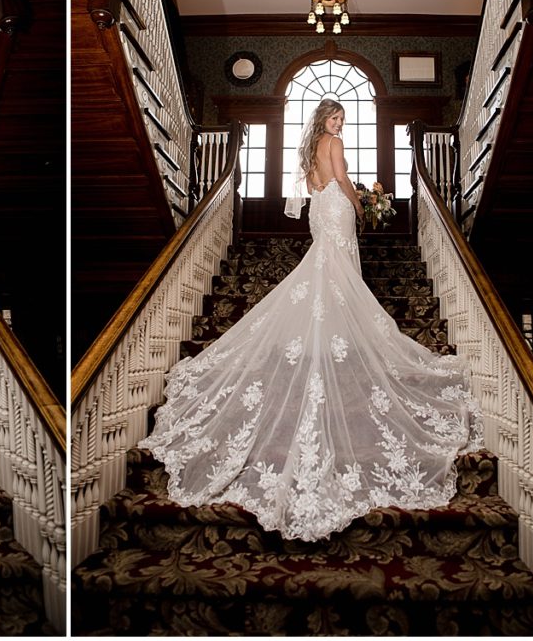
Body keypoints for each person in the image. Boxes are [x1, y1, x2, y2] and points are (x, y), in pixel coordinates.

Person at [139, 98, 483, 542]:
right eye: (335, 118)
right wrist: (362, 207)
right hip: (337, 208)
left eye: (341, 119)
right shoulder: (335, 143)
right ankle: (338, 339)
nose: (339, 124)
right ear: (325, 120)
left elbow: (314, 184)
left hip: (320, 212)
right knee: (338, 274)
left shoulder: (307, 150)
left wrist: (345, 201)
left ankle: (330, 338)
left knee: (328, 272)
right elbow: (340, 179)